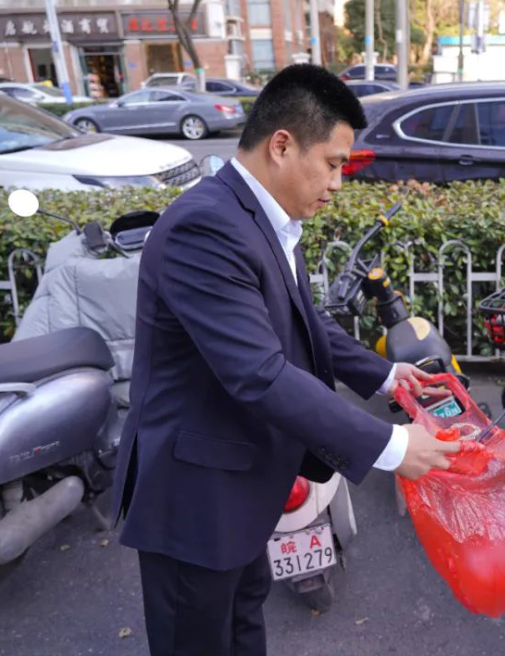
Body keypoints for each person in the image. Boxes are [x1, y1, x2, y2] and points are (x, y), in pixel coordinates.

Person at [111, 64, 461, 656]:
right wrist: (393, 448)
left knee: (245, 623)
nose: (338, 183)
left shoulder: (264, 218)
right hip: (194, 501)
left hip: (244, 485)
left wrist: (386, 374)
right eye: (333, 163)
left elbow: (305, 319)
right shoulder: (206, 227)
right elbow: (259, 372)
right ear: (281, 145)